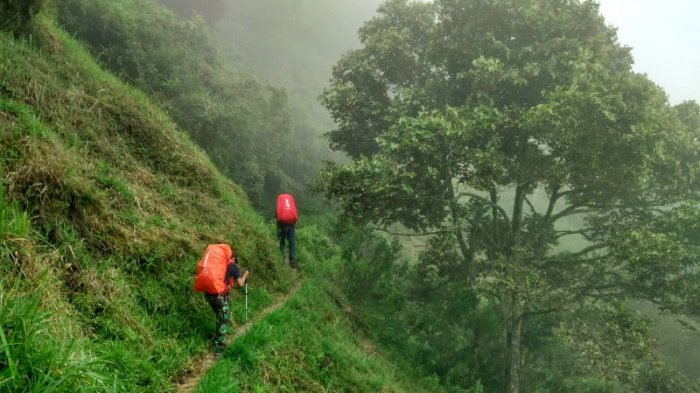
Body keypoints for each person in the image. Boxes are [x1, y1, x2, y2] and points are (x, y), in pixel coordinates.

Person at [204, 251, 249, 352]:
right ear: (233, 258)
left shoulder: (220, 264)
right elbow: (241, 283)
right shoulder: (231, 265)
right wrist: (245, 275)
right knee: (224, 318)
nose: (236, 262)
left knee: (220, 316)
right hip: (218, 296)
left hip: (208, 293)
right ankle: (219, 346)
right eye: (236, 260)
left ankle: (216, 337)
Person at [275, 193, 298, 269]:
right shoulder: (290, 200)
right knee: (292, 242)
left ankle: (282, 258)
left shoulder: (280, 201)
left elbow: (277, 213)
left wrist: (278, 230)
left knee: (282, 241)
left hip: (283, 224)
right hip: (291, 224)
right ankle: (293, 260)